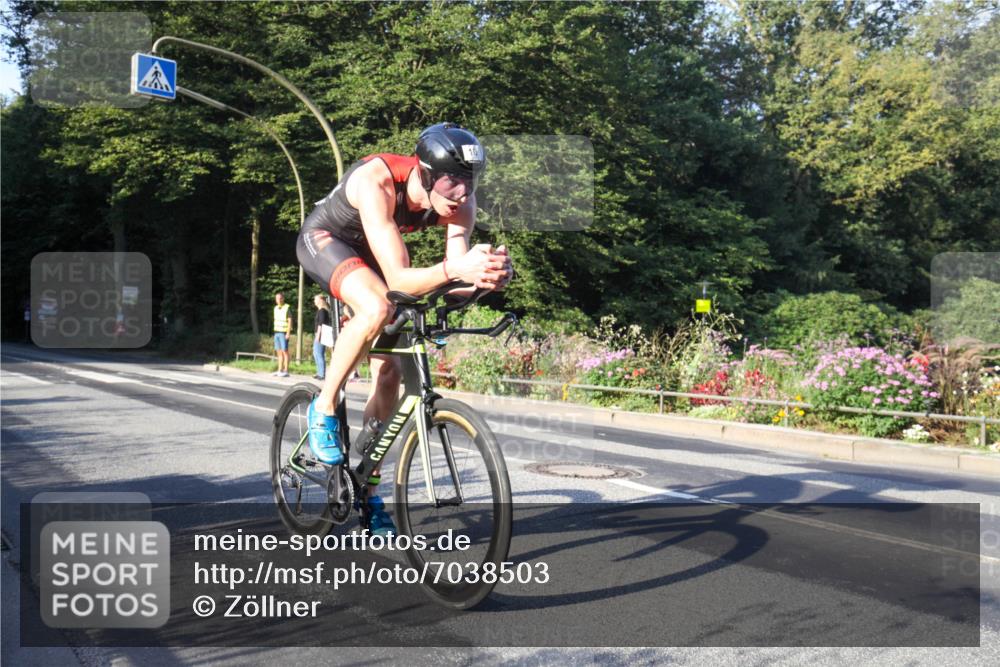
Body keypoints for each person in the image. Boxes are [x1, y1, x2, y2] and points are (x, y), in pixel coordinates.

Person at [297, 122, 512, 536]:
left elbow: (453, 281)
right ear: (425, 173)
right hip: (327, 240)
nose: (462, 196)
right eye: (452, 185)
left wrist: (484, 280)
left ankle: (368, 489)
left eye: (469, 185)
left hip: (378, 256)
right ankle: (323, 406)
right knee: (377, 306)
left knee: (391, 372)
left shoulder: (462, 200)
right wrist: (455, 270)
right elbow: (398, 278)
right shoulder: (376, 181)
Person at [312, 294, 333, 380]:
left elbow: (321, 324)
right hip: (319, 333)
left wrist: (318, 336)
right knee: (316, 353)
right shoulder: (322, 310)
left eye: (315, 299)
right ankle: (319, 372)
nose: (314, 301)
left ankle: (321, 374)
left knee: (319, 353)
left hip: (321, 334)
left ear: (320, 300)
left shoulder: (322, 311)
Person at [272, 292, 292, 378]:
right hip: (276, 332)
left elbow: (290, 320)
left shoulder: (287, 307)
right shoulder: (275, 308)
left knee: (285, 351)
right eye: (277, 298)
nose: (278, 300)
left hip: (283, 332)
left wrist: (288, 333)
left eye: (280, 298)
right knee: (279, 352)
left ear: (283, 298)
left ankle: (286, 370)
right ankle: (279, 370)